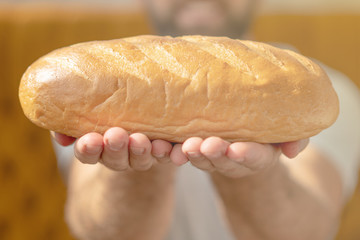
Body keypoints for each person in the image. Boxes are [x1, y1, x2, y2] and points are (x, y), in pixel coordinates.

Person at [52, 0, 360, 239]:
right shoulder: (91, 86)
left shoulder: (313, 90)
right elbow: (96, 230)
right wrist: (137, 165)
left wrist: (249, 173)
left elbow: (310, 230)